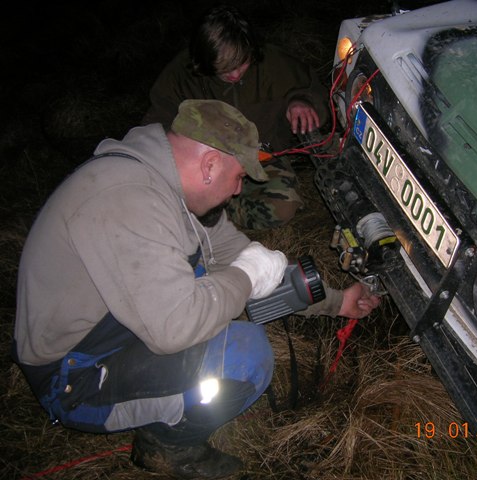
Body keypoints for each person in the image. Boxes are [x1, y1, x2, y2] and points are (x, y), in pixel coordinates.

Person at [13, 100, 379, 479]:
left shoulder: (170, 189)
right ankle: (169, 447)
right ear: (209, 166)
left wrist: (336, 302)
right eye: (238, 177)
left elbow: (246, 262)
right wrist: (246, 277)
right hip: (74, 374)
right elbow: (179, 326)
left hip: (109, 331)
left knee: (208, 273)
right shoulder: (128, 200)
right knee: (243, 357)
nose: (239, 192)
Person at [143, 4, 329, 230]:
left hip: (260, 157)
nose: (234, 74)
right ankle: (202, 213)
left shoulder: (272, 62)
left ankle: (220, 214)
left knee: (282, 206)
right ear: (203, 59)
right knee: (167, 206)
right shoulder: (180, 75)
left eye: (241, 64)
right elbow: (154, 130)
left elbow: (311, 88)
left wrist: (302, 102)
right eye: (223, 69)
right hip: (205, 164)